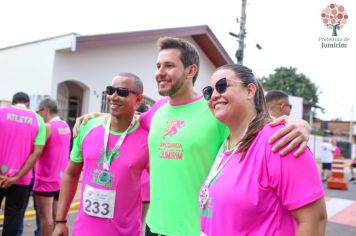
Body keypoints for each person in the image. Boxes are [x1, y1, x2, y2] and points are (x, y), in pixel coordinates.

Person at [74, 37, 312, 236]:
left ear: (191, 70)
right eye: (158, 66)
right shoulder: (156, 111)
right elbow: (126, 120)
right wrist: (97, 117)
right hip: (153, 228)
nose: (160, 73)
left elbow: (253, 125)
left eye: (168, 66)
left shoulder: (215, 110)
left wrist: (299, 124)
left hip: (197, 230)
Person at [199, 64, 327, 235]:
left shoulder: (280, 139)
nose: (214, 95)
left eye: (222, 86)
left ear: (250, 91)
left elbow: (314, 221)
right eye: (209, 91)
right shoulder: (226, 144)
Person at [52, 73, 149, 236]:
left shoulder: (147, 136)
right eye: (110, 90)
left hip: (125, 231)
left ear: (138, 99)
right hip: (84, 230)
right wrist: (60, 221)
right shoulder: (87, 126)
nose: (113, 96)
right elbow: (71, 174)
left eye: (122, 92)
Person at [0, 92, 46, 235]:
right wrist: (16, 177)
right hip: (22, 179)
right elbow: (37, 152)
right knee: (13, 215)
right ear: (28, 103)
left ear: (13, 102)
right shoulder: (38, 120)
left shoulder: (1, 112)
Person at [33, 98, 71, 236]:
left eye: (39, 112)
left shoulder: (48, 127)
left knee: (46, 219)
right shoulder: (65, 125)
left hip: (45, 178)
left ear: (45, 111)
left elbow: (37, 150)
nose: (39, 115)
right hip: (60, 179)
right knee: (57, 218)